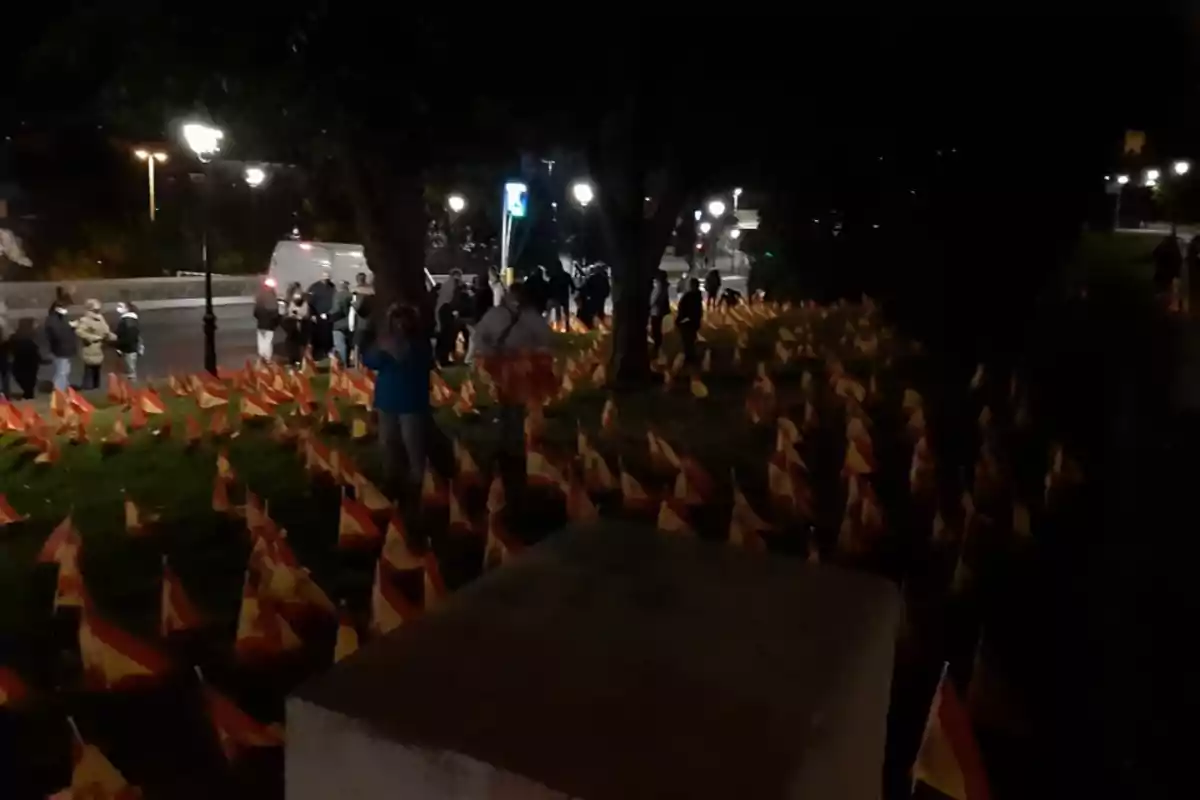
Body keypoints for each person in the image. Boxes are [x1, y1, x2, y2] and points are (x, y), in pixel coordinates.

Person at [474, 282, 554, 465]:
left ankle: (507, 442)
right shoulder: (531, 317)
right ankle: (513, 442)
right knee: (514, 404)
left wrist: (489, 352)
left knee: (508, 403)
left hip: (503, 367)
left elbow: (479, 336)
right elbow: (546, 339)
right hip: (517, 368)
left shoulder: (496, 314)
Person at [361, 302, 433, 497]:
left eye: (404, 322)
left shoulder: (419, 343)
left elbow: (423, 362)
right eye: (396, 322)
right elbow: (370, 361)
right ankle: (391, 477)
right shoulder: (385, 341)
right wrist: (380, 351)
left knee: (413, 442)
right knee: (387, 440)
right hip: (388, 398)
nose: (400, 326)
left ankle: (419, 480)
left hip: (411, 399)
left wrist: (399, 353)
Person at [9, 318, 47, 399]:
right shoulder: (31, 335)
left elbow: (11, 347)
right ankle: (28, 392)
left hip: (22, 360)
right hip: (29, 360)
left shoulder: (16, 336)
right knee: (29, 377)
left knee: (21, 376)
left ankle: (28, 392)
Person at [434, 270, 464, 366]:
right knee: (447, 335)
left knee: (443, 335)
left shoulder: (447, 284)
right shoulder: (454, 285)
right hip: (446, 310)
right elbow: (454, 300)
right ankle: (444, 359)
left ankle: (441, 358)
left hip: (442, 310)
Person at [307, 268, 337, 360]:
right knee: (318, 336)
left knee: (328, 335)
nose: (326, 280)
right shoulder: (314, 287)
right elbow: (310, 302)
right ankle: (318, 354)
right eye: (325, 278)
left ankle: (327, 352)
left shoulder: (332, 287)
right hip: (317, 315)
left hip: (329, 316)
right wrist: (312, 315)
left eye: (327, 279)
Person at [676, 277, 704, 364]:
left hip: (686, 322)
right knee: (690, 340)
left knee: (687, 341)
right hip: (694, 322)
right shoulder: (698, 296)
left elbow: (682, 309)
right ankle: (691, 356)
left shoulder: (689, 296)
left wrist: (679, 320)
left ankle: (689, 358)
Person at [282, 285, 310, 367]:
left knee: (301, 344)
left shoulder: (304, 304)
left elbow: (305, 314)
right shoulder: (291, 303)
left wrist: (299, 315)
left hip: (302, 325)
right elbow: (289, 313)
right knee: (292, 344)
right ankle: (293, 360)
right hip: (293, 325)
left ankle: (300, 360)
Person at [113, 302, 142, 382]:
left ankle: (131, 388)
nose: (118, 308)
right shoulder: (129, 320)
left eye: (121, 306)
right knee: (129, 369)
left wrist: (118, 345)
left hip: (128, 349)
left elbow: (128, 336)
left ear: (127, 309)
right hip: (129, 348)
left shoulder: (128, 321)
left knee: (130, 370)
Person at [253, 284, 281, 363]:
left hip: (261, 324)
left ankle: (262, 357)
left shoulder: (260, 299)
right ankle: (267, 359)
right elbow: (276, 315)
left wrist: (260, 318)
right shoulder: (273, 300)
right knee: (268, 342)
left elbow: (255, 313)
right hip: (270, 325)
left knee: (261, 341)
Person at [351, 272, 375, 363]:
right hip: (373, 323)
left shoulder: (360, 293)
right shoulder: (373, 291)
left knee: (358, 345)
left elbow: (359, 308)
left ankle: (358, 366)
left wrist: (354, 305)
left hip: (362, 323)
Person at [330, 280, 353, 366]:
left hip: (339, 324)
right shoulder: (351, 295)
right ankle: (348, 362)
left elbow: (337, 310)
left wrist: (329, 315)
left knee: (340, 346)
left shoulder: (338, 295)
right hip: (350, 324)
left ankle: (343, 365)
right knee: (348, 345)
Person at [649, 270, 671, 358]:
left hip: (656, 310)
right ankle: (658, 344)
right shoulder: (664, 286)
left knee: (656, 328)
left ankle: (657, 345)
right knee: (657, 327)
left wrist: (649, 305)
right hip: (660, 310)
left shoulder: (659, 286)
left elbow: (654, 299)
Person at [0, 301, 9, 398]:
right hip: (3, 348)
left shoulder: (3, 321)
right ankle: (5, 393)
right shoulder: (2, 322)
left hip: (3, 348)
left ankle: (5, 393)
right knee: (4, 374)